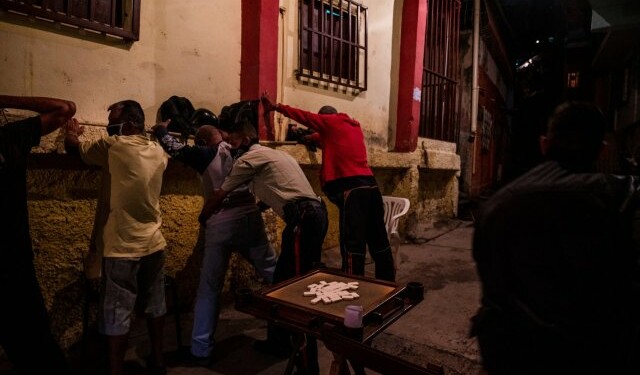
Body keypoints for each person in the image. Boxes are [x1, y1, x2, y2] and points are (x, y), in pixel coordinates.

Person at [470, 101, 640, 375]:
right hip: (590, 357)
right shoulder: (622, 198)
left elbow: (492, 286)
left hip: (508, 356)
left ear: (544, 144)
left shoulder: (496, 204)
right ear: (601, 149)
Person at [198, 120, 328, 375]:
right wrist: (257, 209)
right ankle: (278, 342)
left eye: (232, 139)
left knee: (293, 289)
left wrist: (204, 217)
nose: (228, 145)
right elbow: (278, 189)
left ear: (245, 138)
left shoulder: (246, 162)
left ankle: (307, 363)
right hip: (312, 216)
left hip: (303, 219)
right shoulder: (274, 154)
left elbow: (219, 194)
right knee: (281, 280)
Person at [151, 116, 277, 366]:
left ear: (202, 141)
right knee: (275, 273)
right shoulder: (241, 150)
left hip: (222, 221)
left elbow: (174, 148)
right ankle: (294, 329)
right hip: (251, 217)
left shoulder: (206, 153)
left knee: (209, 287)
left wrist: (161, 130)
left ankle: (200, 349)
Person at [64, 100, 169, 375]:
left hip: (122, 246)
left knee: (116, 312)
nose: (111, 128)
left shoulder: (112, 147)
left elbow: (74, 151)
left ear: (130, 123)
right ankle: (158, 361)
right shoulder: (159, 150)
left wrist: (72, 134)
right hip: (155, 243)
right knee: (155, 305)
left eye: (114, 121)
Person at [261, 94, 395, 282]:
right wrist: (307, 138)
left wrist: (276, 107)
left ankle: (353, 287)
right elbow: (319, 138)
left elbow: (305, 116)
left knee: (352, 244)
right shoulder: (352, 127)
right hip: (371, 186)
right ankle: (387, 284)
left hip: (352, 189)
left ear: (325, 118)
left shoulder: (330, 122)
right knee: (378, 239)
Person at [0, 95, 76, 374]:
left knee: (34, 345)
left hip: (12, 262)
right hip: (13, 260)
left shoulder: (9, 138)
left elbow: (65, 109)